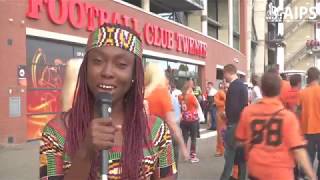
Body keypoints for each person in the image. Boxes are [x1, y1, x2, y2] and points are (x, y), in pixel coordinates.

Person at [39, 23, 177, 180]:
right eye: (97, 61)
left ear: (134, 74)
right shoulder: (55, 133)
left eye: (121, 65)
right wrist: (85, 153)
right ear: (85, 68)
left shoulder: (157, 131)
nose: (107, 72)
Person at [235, 72, 315, 180]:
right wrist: (312, 175)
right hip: (281, 173)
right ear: (279, 90)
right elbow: (298, 150)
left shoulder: (247, 112)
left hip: (256, 170)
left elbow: (240, 140)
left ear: (261, 89)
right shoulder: (288, 117)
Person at [144, 63, 189, 162]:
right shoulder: (161, 92)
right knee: (167, 173)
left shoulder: (142, 92)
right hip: (160, 139)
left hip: (143, 139)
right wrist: (183, 147)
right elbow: (171, 122)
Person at [220, 64, 248, 180]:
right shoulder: (242, 85)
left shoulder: (233, 87)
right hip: (242, 125)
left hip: (234, 126)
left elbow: (234, 108)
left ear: (228, 72)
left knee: (229, 157)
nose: (224, 77)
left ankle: (225, 178)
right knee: (241, 158)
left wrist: (226, 115)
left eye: (224, 74)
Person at [298, 67, 320, 179]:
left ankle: (305, 175)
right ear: (318, 77)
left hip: (306, 128)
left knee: (308, 155)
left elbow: (298, 109)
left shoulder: (302, 92)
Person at [179, 82, 200, 163]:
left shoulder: (180, 97)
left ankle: (185, 155)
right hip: (193, 119)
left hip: (184, 119)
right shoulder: (191, 97)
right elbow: (197, 105)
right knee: (193, 138)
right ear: (189, 88)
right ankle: (193, 156)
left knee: (185, 137)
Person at [214, 82, 228, 157]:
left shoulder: (228, 92)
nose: (225, 87)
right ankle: (220, 149)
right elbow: (217, 103)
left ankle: (224, 149)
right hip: (220, 114)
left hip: (227, 113)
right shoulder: (219, 93)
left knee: (226, 132)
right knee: (220, 132)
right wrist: (225, 102)